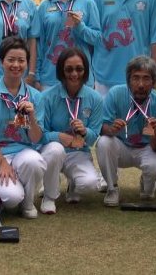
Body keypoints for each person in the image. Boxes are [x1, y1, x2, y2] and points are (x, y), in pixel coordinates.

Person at [0, 37, 46, 219]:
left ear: (27, 63)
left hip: (23, 152)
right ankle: (12, 196)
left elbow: (36, 139)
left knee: (35, 161)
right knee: (13, 197)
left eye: (21, 60)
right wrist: (2, 162)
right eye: (11, 60)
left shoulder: (36, 96)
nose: (16, 65)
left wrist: (31, 116)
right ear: (1, 62)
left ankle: (28, 203)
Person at [96, 56, 156, 207]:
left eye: (146, 79)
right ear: (128, 80)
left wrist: (155, 132)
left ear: (154, 82)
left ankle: (147, 184)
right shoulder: (116, 94)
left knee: (148, 193)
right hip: (122, 146)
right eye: (135, 78)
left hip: (147, 149)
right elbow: (101, 128)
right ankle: (112, 188)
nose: (140, 84)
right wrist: (111, 129)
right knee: (104, 143)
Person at [39, 48, 103, 214]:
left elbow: (93, 138)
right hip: (53, 150)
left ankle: (73, 184)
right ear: (61, 70)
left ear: (85, 71)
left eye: (79, 69)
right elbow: (40, 135)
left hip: (78, 151)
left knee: (89, 184)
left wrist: (85, 131)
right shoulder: (47, 97)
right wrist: (59, 137)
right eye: (69, 69)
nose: (74, 74)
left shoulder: (95, 98)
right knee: (55, 150)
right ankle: (49, 196)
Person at [36, 0, 101, 90]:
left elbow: (97, 39)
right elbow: (39, 45)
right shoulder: (44, 6)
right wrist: (37, 76)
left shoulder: (88, 3)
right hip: (50, 77)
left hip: (81, 76)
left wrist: (80, 27)